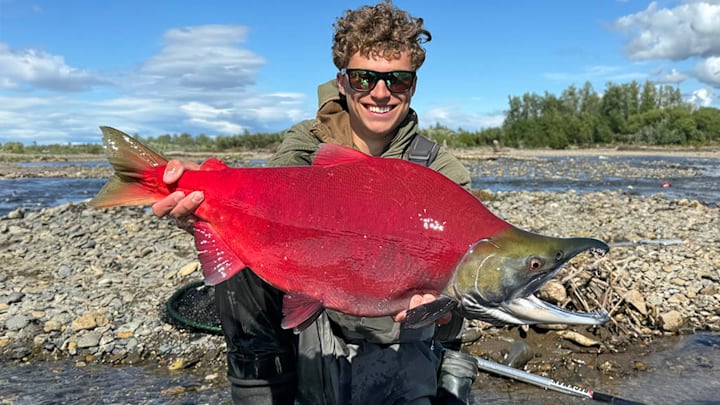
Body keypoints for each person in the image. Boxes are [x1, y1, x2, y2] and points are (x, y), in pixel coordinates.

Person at [152, 2, 478, 404]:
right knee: (243, 261)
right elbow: (258, 211)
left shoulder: (441, 171)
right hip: (311, 314)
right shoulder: (305, 145)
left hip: (396, 326)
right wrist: (203, 205)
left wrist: (441, 309)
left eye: (397, 80)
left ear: (413, 85)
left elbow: (464, 295)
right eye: (364, 78)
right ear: (342, 81)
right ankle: (260, 392)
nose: (380, 93)